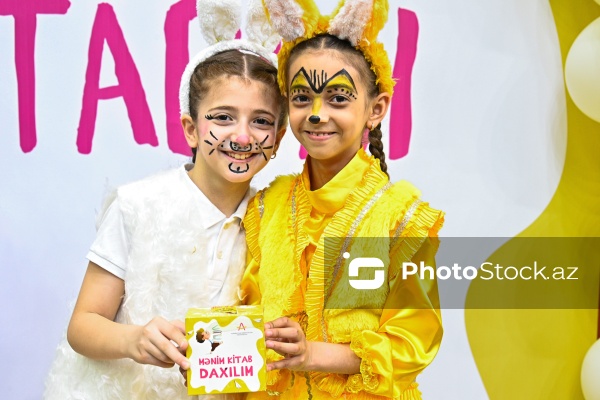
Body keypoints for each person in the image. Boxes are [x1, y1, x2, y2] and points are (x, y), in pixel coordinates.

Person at [43, 1, 285, 398]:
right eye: (222, 117)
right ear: (191, 129)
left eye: (260, 121)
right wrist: (134, 340)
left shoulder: (277, 217)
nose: (242, 136)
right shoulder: (138, 205)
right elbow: (82, 325)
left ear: (278, 137)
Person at [240, 1, 444, 399]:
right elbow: (248, 317)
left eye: (337, 98)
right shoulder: (266, 207)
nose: (316, 114)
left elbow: (413, 341)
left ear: (376, 108)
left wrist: (313, 354)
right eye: (301, 97)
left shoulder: (400, 217)